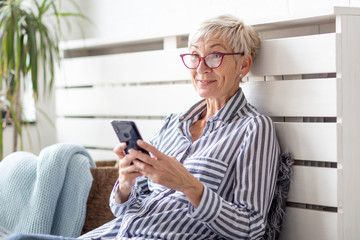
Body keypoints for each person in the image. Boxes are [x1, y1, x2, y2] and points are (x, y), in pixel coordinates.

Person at [4, 14, 280, 240]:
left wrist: (188, 185)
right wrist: (126, 183)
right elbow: (126, 208)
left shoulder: (254, 129)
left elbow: (251, 228)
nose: (201, 68)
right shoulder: (175, 124)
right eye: (194, 56)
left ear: (244, 64)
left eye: (215, 56)